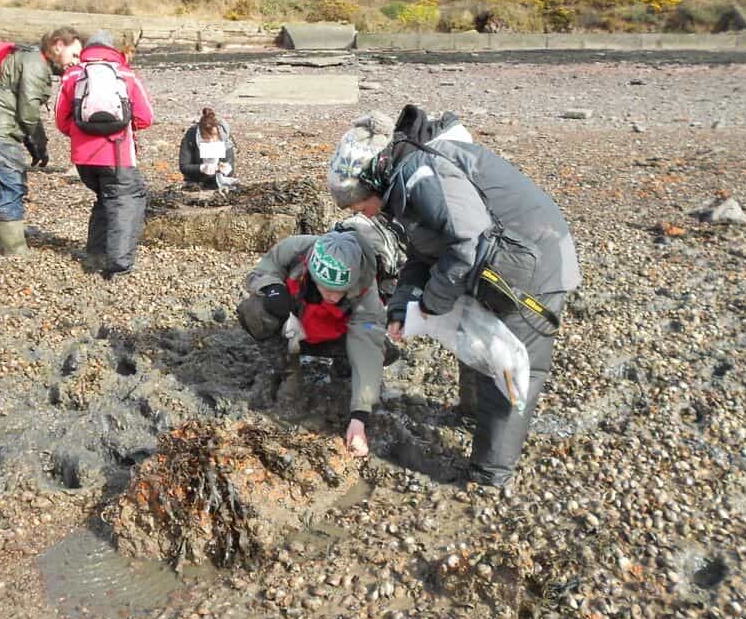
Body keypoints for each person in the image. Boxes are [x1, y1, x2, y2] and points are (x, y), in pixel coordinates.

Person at [328, 104, 581, 489]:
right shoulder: (404, 183)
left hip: (534, 264)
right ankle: (469, 413)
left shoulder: (421, 177)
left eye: (359, 204)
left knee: (510, 365)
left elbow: (467, 242)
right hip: (496, 261)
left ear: (374, 179)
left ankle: (489, 476)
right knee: (475, 339)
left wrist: (431, 305)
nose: (360, 212)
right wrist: (402, 305)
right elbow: (423, 251)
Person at [236, 231, 388, 457]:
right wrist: (272, 288)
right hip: (293, 326)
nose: (333, 297)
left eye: (340, 291)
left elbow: (368, 347)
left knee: (379, 350)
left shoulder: (367, 294)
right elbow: (263, 270)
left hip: (335, 338)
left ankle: (344, 373)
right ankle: (289, 371)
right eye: (326, 289)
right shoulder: (296, 249)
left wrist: (359, 417)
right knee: (254, 311)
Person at [0, 27, 82, 256]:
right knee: (12, 183)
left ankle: (13, 232)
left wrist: (37, 144)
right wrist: (38, 144)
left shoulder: (31, 58)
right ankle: (15, 249)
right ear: (58, 45)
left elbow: (27, 109)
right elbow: (28, 110)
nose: (76, 62)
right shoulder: (35, 65)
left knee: (11, 179)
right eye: (74, 55)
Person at [54, 31, 154, 279]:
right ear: (112, 49)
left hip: (83, 159)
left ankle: (96, 255)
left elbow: (60, 120)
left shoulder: (73, 74)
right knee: (126, 202)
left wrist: (82, 135)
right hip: (118, 153)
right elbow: (146, 117)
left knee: (104, 199)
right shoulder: (125, 73)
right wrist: (122, 127)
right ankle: (118, 266)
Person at [179, 107, 237, 189]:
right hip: (195, 180)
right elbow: (184, 166)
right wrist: (201, 168)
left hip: (221, 180)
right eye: (206, 138)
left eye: (214, 137)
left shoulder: (224, 138)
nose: (210, 141)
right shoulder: (191, 137)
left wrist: (225, 168)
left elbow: (230, 168)